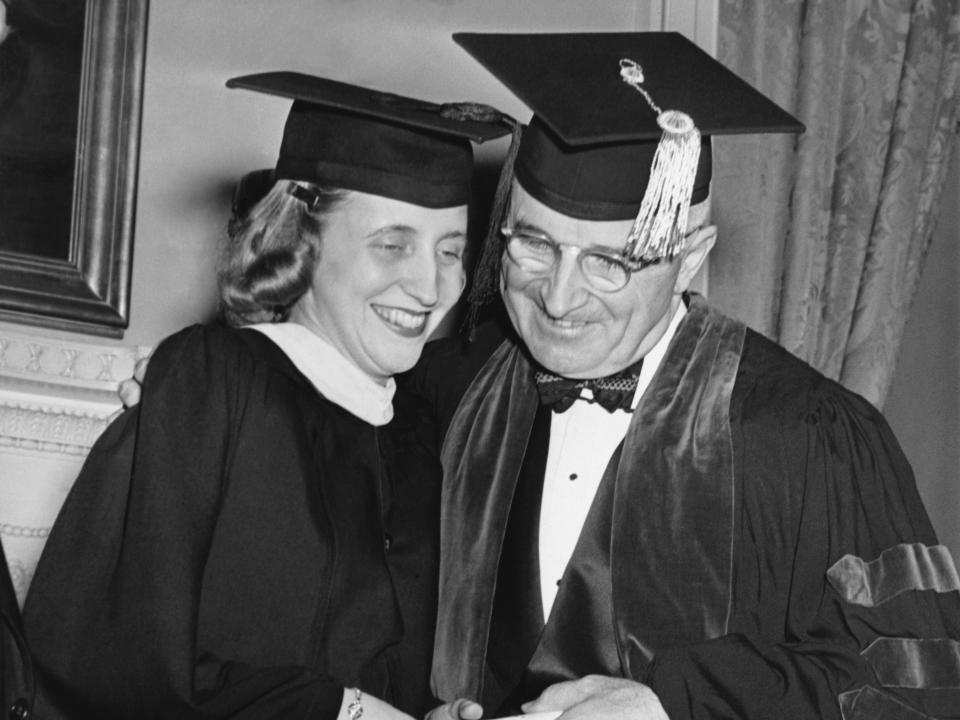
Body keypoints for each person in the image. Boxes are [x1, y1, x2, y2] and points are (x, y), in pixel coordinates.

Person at [411, 32, 960, 720]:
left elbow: (916, 682)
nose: (558, 298)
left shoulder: (806, 435)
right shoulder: (451, 389)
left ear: (692, 254)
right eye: (535, 245)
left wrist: (672, 705)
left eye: (610, 263)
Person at [21, 71, 509, 720]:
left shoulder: (420, 436)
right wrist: (343, 710)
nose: (429, 285)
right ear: (297, 240)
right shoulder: (213, 384)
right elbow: (110, 659)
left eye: (452, 251)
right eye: (392, 244)